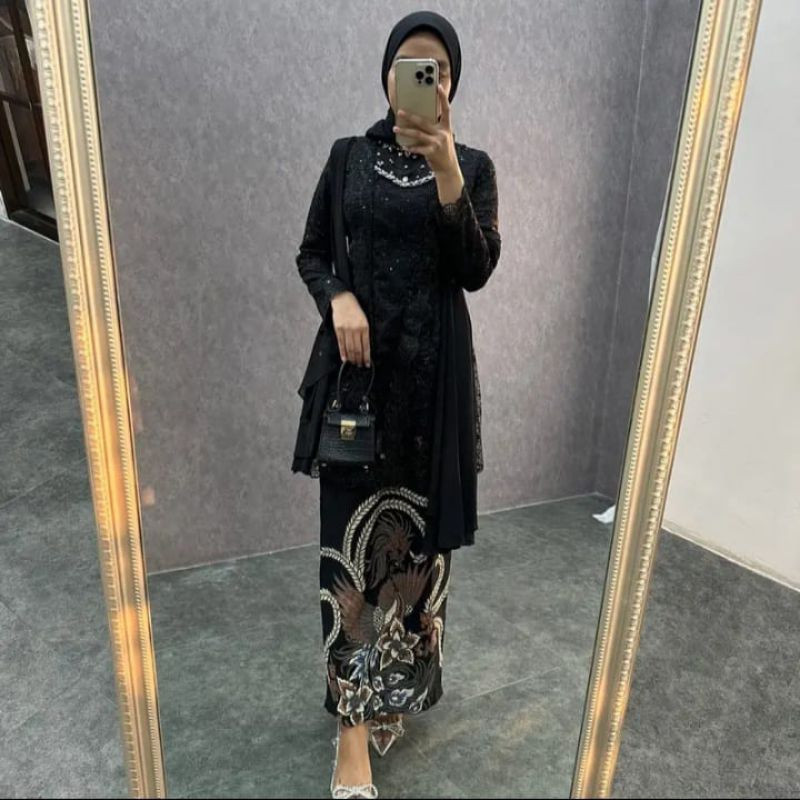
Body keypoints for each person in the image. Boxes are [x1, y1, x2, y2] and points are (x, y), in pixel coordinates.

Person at [292, 10, 501, 798]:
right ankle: (350, 731)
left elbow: (475, 269)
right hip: (358, 391)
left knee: (415, 561)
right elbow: (312, 252)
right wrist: (338, 298)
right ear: (387, 75)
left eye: (436, 68)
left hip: (431, 396)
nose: (423, 77)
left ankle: (393, 693)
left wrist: (446, 168)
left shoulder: (473, 166)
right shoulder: (346, 158)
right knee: (349, 557)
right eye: (410, 64)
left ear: (450, 85)